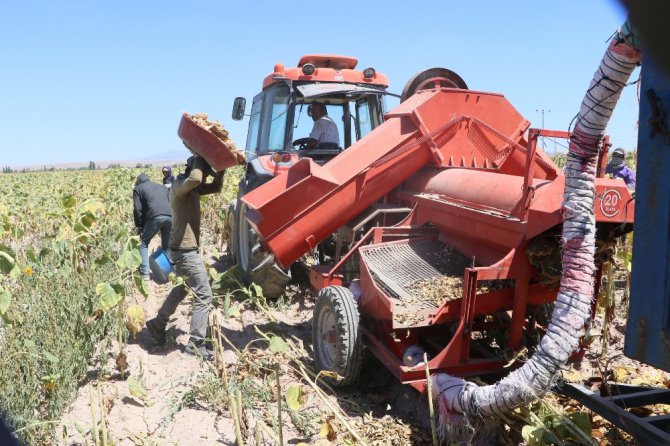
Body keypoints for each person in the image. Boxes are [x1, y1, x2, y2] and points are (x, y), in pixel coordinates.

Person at [145, 156, 223, 359]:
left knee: (183, 288)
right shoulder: (180, 185)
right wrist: (200, 158)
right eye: (204, 171)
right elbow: (197, 178)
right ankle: (196, 343)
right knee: (204, 294)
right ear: (193, 169)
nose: (205, 176)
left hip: (184, 249)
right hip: (185, 251)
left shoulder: (192, 189)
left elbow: (216, 187)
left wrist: (221, 168)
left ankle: (157, 323)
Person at [133, 173, 172, 280]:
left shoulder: (138, 188)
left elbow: (137, 209)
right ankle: (168, 273)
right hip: (170, 216)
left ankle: (145, 273)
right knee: (166, 245)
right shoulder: (161, 187)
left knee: (143, 243)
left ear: (138, 181)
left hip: (155, 217)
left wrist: (139, 225)